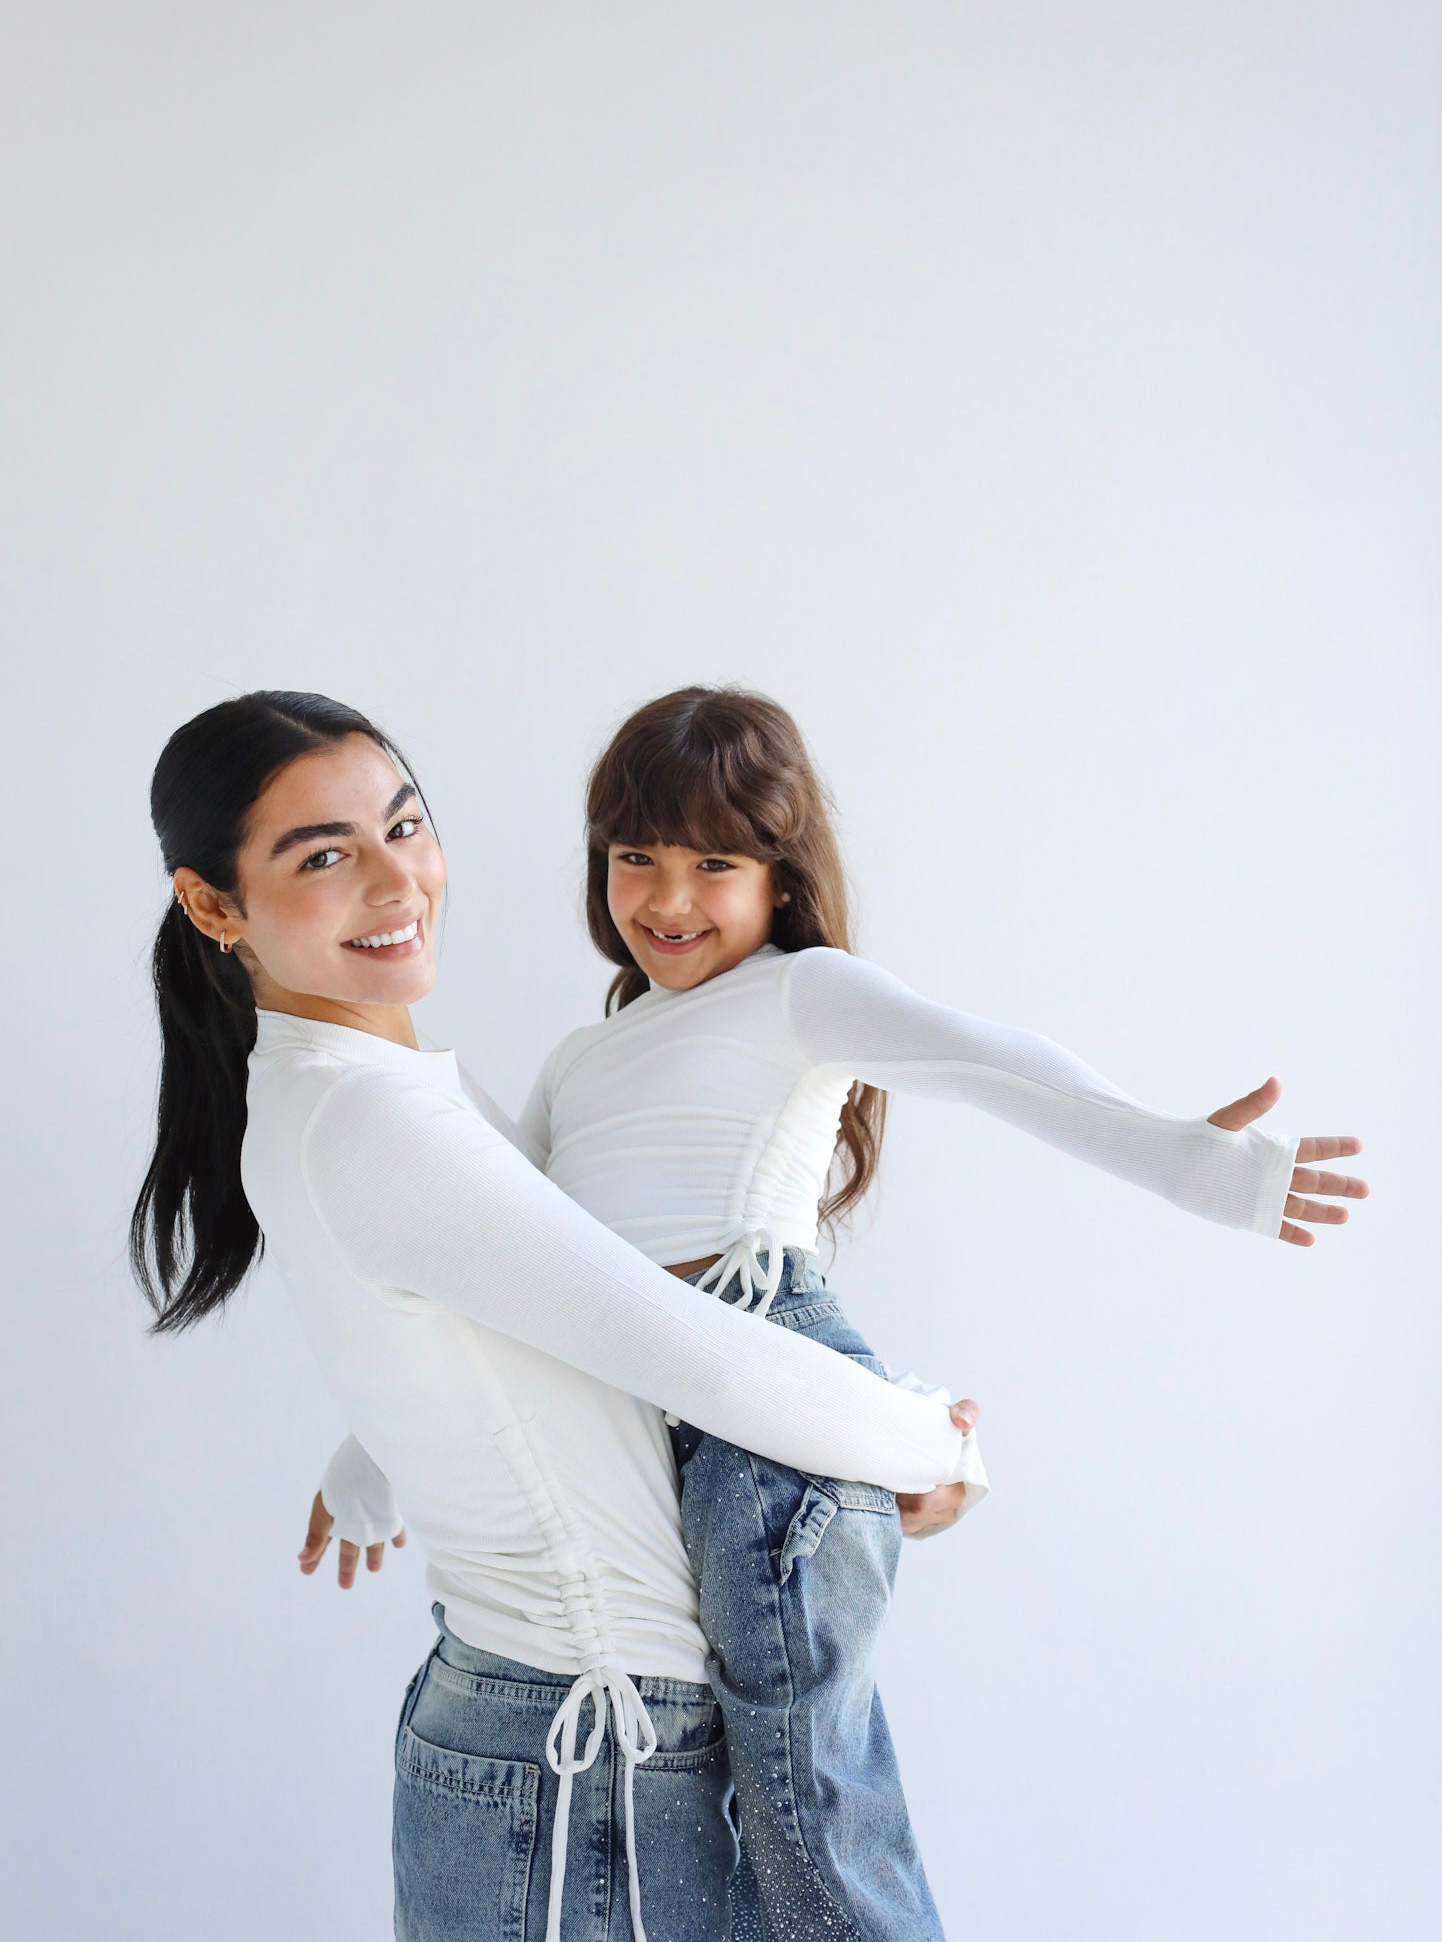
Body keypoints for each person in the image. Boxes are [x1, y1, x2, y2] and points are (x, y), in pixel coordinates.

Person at [314, 684, 1368, 1942]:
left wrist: (1191, 1161)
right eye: (633, 856)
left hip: (765, 1405)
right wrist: (364, 1465)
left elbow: (987, 1056)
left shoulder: (800, 992)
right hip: (654, 1415)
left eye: (713, 862)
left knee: (814, 1826)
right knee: (730, 1838)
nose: (665, 898)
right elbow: (483, 1279)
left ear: (778, 871)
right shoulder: (578, 1061)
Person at [130, 688, 986, 1942]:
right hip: (577, 1757)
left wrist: (368, 1458)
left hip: (565, 1744)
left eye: (403, 826)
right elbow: (697, 1356)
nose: (394, 880)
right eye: (323, 854)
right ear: (213, 905)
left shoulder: (392, 1086)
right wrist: (936, 1441)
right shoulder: (372, 1117)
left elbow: (515, 1325)